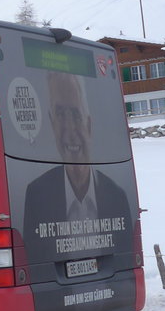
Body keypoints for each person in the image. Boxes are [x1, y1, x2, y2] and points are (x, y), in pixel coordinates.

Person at [22, 71, 131, 261]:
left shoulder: (117, 197)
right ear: (52, 124)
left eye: (76, 115)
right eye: (60, 115)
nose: (70, 130)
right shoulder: (36, 196)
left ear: (89, 125)